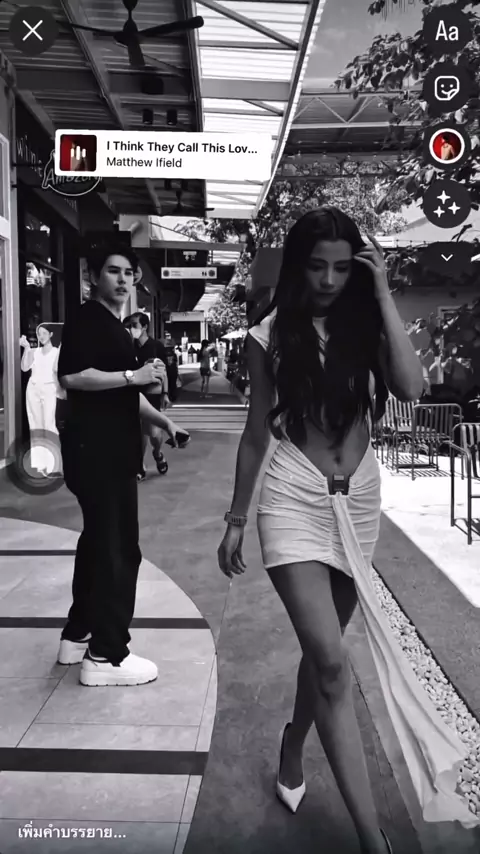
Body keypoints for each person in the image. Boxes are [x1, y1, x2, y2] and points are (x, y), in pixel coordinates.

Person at [217, 207, 477, 853]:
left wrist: (382, 290)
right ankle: (373, 840)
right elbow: (256, 433)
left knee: (323, 655)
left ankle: (293, 741)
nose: (329, 280)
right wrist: (237, 518)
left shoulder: (366, 326)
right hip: (292, 497)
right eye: (316, 267)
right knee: (334, 664)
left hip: (358, 500)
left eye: (341, 267)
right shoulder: (268, 334)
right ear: (297, 267)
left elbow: (411, 389)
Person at [56, 245, 189, 688]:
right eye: (113, 271)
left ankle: (78, 634)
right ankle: (107, 654)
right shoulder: (88, 318)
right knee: (119, 549)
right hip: (98, 453)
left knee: (98, 542)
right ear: (94, 276)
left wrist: (165, 422)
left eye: (129, 273)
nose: (122, 279)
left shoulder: (112, 326)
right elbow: (73, 376)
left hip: (104, 451)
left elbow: (124, 395)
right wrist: (135, 375)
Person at [124, 312, 169, 480]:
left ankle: (157, 453)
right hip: (134, 393)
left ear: (144, 327)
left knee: (154, 433)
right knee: (138, 432)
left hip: (153, 394)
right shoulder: (129, 346)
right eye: (130, 325)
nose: (132, 328)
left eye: (135, 325)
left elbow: (164, 372)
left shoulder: (156, 347)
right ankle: (139, 466)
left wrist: (165, 393)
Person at [20, 324, 59, 476]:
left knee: (49, 424)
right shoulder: (35, 352)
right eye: (39, 334)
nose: (41, 336)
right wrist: (27, 348)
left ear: (51, 334)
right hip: (33, 389)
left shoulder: (56, 352)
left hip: (49, 389)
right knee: (35, 424)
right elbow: (24, 367)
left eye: (44, 333)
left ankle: (53, 464)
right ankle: (40, 464)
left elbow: (58, 371)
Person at [162, 331, 179, 401]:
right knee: (172, 384)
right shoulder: (173, 354)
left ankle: (170, 396)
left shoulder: (164, 354)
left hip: (169, 370)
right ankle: (172, 396)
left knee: (169, 384)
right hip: (172, 370)